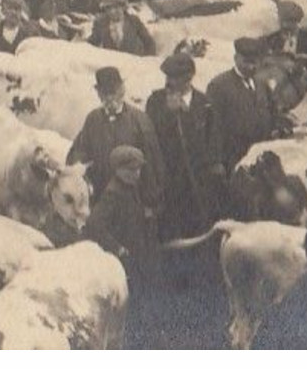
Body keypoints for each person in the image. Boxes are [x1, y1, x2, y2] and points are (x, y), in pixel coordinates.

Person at [82, 145, 160, 346]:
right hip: (123, 259)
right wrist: (116, 247)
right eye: (132, 170)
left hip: (136, 253)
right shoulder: (113, 194)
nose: (137, 174)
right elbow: (94, 225)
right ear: (119, 170)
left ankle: (140, 333)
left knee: (141, 294)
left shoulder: (129, 188)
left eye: (139, 169)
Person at [145, 52, 224, 239]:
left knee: (199, 228)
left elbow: (214, 139)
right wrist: (168, 114)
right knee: (172, 230)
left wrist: (212, 168)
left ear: (188, 78)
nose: (169, 83)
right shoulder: (156, 101)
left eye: (174, 78)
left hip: (197, 181)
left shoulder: (204, 103)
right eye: (167, 77)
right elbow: (151, 138)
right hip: (169, 181)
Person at [68, 66, 164, 206]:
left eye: (112, 92)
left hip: (133, 200)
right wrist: (79, 165)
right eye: (104, 93)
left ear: (121, 90)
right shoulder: (92, 120)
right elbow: (80, 151)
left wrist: (150, 203)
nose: (109, 98)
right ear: (98, 94)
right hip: (101, 199)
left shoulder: (139, 121)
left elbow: (153, 164)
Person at [206, 37, 276, 170]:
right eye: (246, 62)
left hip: (262, 156)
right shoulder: (219, 86)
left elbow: (272, 112)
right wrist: (217, 161)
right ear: (236, 58)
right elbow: (213, 127)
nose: (251, 67)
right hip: (234, 158)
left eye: (255, 63)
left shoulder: (261, 84)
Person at [87, 0, 155, 56]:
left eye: (116, 7)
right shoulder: (100, 23)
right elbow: (92, 43)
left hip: (134, 61)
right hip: (112, 62)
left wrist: (146, 60)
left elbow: (148, 42)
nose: (112, 12)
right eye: (108, 8)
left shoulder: (133, 21)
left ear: (123, 7)